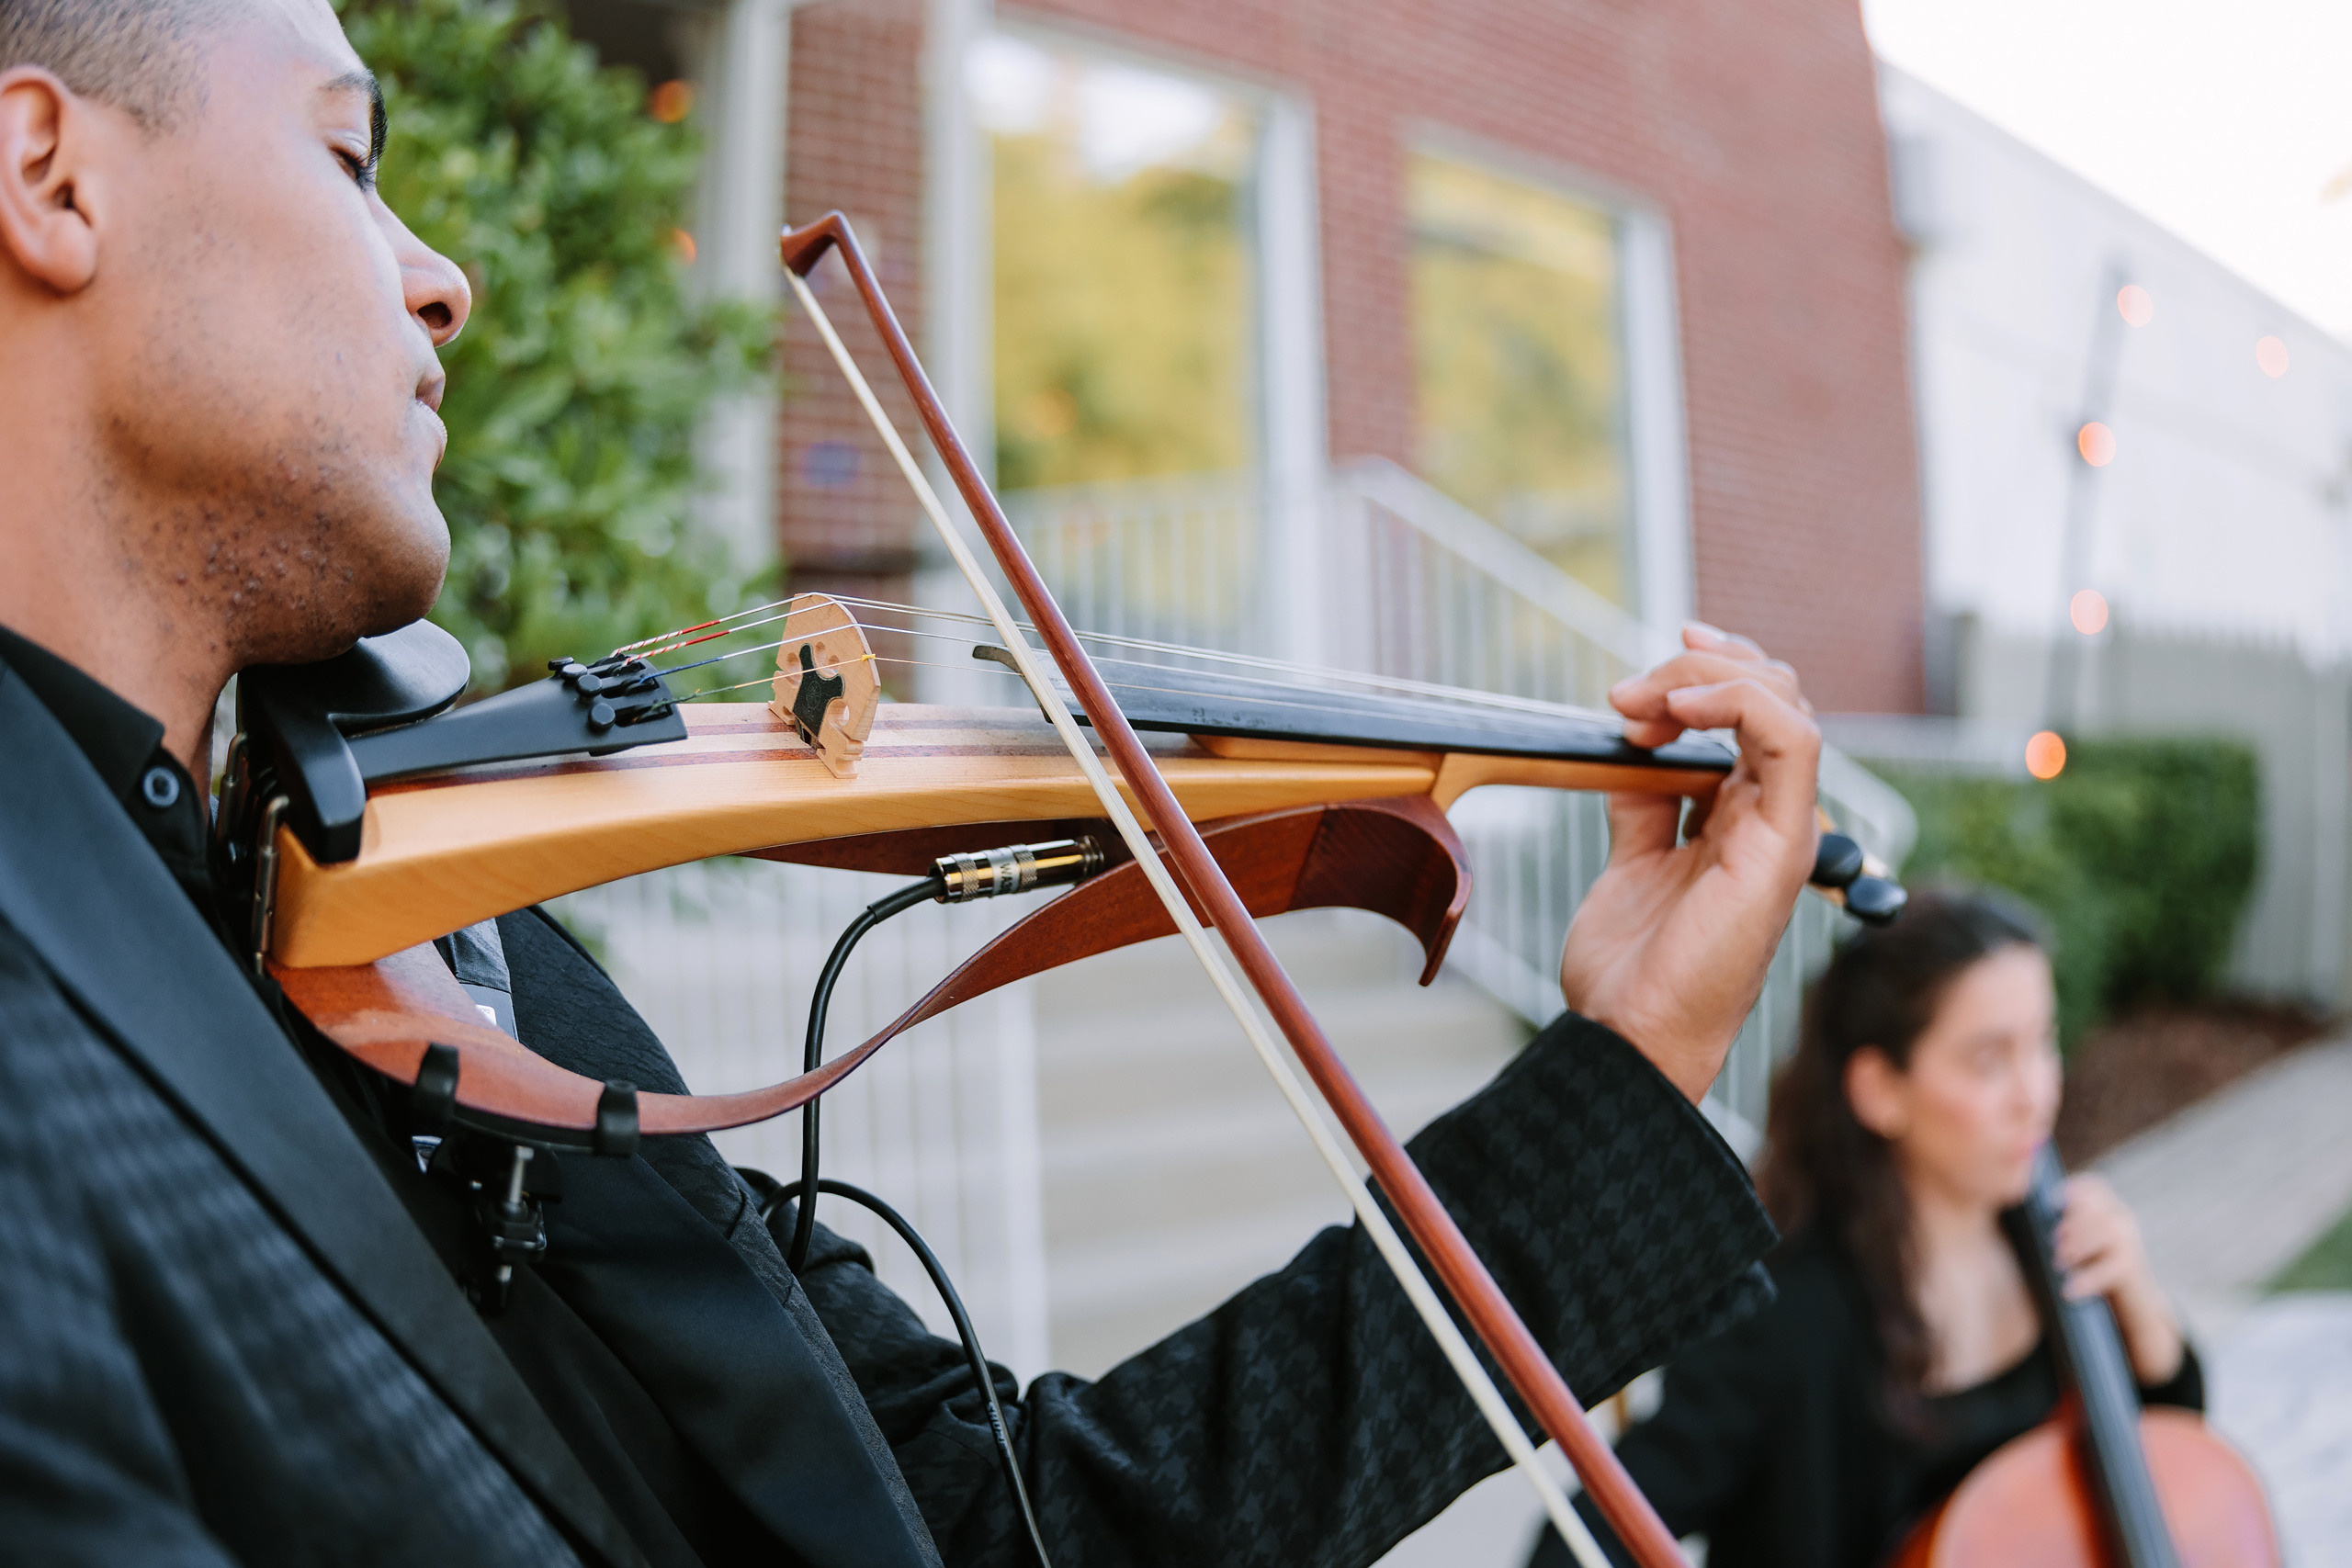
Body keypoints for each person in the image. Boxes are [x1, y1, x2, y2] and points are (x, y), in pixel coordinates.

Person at [0, 3, 1826, 1564]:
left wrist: (1630, 1061)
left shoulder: (429, 942)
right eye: (348, 157)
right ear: (50, 174)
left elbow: (1003, 1520)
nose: (440, 277)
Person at [1530, 891, 2201, 1568]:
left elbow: (2171, 1463)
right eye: (1989, 1060)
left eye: (2042, 1041)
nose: (2037, 1094)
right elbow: (1578, 1546)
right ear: (1880, 1090)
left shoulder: (2055, 1244)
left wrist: (2139, 1306)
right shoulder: (1783, 1315)